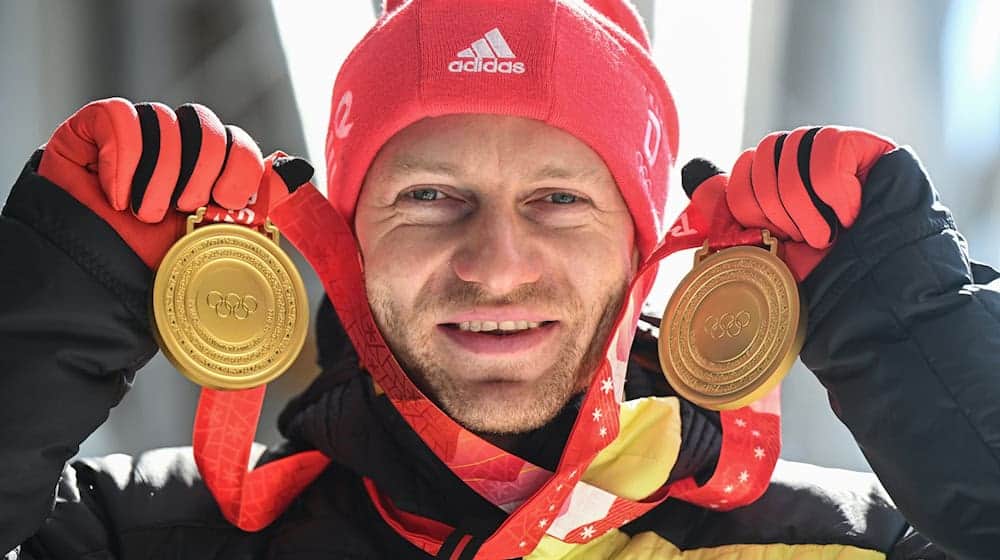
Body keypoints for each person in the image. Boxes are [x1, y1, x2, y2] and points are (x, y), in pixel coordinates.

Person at [1, 0, 998, 558]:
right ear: (343, 239)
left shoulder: (855, 544)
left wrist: (914, 328)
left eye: (558, 200)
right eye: (431, 196)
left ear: (645, 248)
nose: (495, 264)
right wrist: (55, 297)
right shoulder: (132, 535)